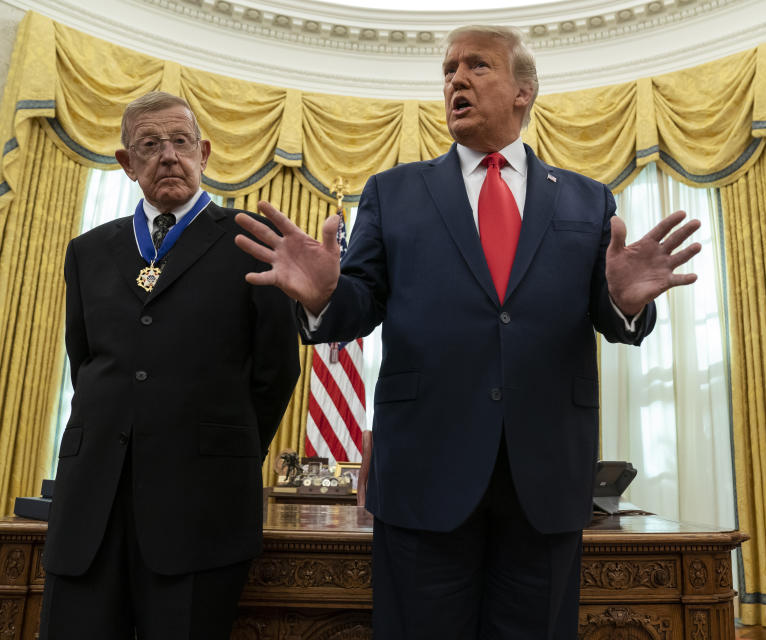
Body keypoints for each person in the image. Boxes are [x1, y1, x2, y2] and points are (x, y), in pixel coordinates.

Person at [235, 25, 700, 639]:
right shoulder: (394, 193)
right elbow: (360, 303)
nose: (456, 78)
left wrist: (624, 305)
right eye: (449, 69)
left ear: (523, 91)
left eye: (477, 66)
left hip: (546, 472)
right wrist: (325, 296)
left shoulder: (587, 201)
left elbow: (609, 315)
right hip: (425, 469)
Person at [40, 91, 301, 639]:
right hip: (92, 505)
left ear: (204, 152)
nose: (167, 155)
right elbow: (84, 360)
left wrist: (226, 448)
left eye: (180, 141)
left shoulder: (252, 241)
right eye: (149, 144)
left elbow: (276, 373)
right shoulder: (88, 252)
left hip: (202, 505)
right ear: (126, 163)